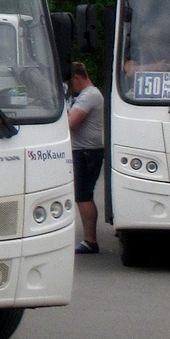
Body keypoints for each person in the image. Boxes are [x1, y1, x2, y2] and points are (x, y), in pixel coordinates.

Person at [68, 61, 105, 255]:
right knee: (83, 194)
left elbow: (71, 122)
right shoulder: (88, 95)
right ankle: (90, 239)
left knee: (83, 195)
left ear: (76, 77)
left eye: (70, 82)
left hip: (86, 152)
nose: (69, 86)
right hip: (87, 150)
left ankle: (90, 240)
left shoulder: (88, 95)